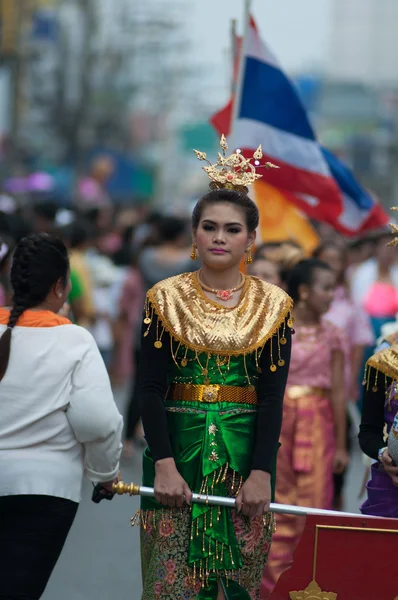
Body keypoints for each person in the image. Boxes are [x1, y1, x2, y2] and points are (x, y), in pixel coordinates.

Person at [137, 139, 293, 600]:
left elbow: (271, 395)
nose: (219, 237)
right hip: (175, 457)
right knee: (171, 586)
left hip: (244, 460)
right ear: (194, 234)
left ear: (251, 239)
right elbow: (148, 388)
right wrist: (163, 464)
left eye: (232, 229)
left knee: (237, 587)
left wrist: (261, 472)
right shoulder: (163, 298)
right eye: (209, 227)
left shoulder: (275, 305)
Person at [0, 233, 123, 600]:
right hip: (45, 492)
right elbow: (97, 421)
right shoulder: (75, 340)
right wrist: (104, 474)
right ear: (60, 286)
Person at [261, 258, 349, 598]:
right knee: (279, 505)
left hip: (318, 422)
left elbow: (339, 392)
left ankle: (309, 588)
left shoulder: (335, 334)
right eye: (327, 288)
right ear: (304, 291)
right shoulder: (276, 328)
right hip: (280, 422)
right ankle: (272, 587)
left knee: (316, 506)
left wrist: (341, 444)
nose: (332, 295)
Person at [314, 242, 374, 509]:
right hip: (304, 390)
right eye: (325, 259)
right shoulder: (303, 298)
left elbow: (359, 344)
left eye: (335, 259)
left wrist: (352, 384)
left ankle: (332, 507)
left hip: (338, 389)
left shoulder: (348, 302)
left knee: (335, 454)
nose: (330, 265)